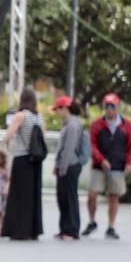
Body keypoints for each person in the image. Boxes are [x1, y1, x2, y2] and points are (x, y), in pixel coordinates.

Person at [84, 93, 131, 240]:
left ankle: (111, 227)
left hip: (117, 166)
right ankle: (92, 221)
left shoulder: (126, 125)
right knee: (92, 194)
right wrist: (101, 159)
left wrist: (130, 162)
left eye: (112, 107)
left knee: (113, 197)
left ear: (117, 107)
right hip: (99, 166)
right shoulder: (97, 124)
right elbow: (92, 145)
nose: (109, 110)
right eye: (106, 107)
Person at [0, 88, 43, 241]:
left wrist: (8, 142)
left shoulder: (20, 116)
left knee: (19, 196)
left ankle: (19, 230)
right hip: (35, 160)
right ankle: (33, 230)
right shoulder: (38, 117)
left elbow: (7, 136)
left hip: (22, 159)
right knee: (32, 196)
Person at [53, 97, 85, 241]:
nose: (57, 113)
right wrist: (57, 166)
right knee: (62, 198)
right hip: (65, 166)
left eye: (58, 109)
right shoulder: (68, 124)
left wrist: (62, 168)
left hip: (70, 166)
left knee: (69, 198)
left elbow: (68, 149)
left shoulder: (72, 125)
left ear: (64, 108)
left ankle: (71, 231)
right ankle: (65, 229)